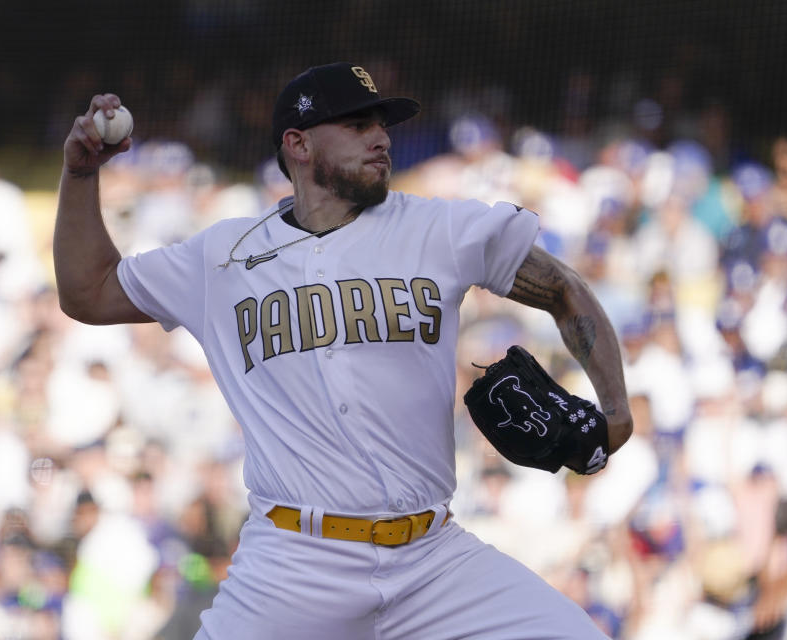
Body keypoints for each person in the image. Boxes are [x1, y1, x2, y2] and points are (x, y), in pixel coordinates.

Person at [54, 62, 632, 640]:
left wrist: (615, 412)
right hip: (294, 566)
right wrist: (81, 175)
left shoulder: (437, 228)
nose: (380, 136)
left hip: (433, 561)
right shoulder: (221, 258)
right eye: (356, 125)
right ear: (298, 143)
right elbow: (88, 290)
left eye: (381, 124)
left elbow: (562, 287)